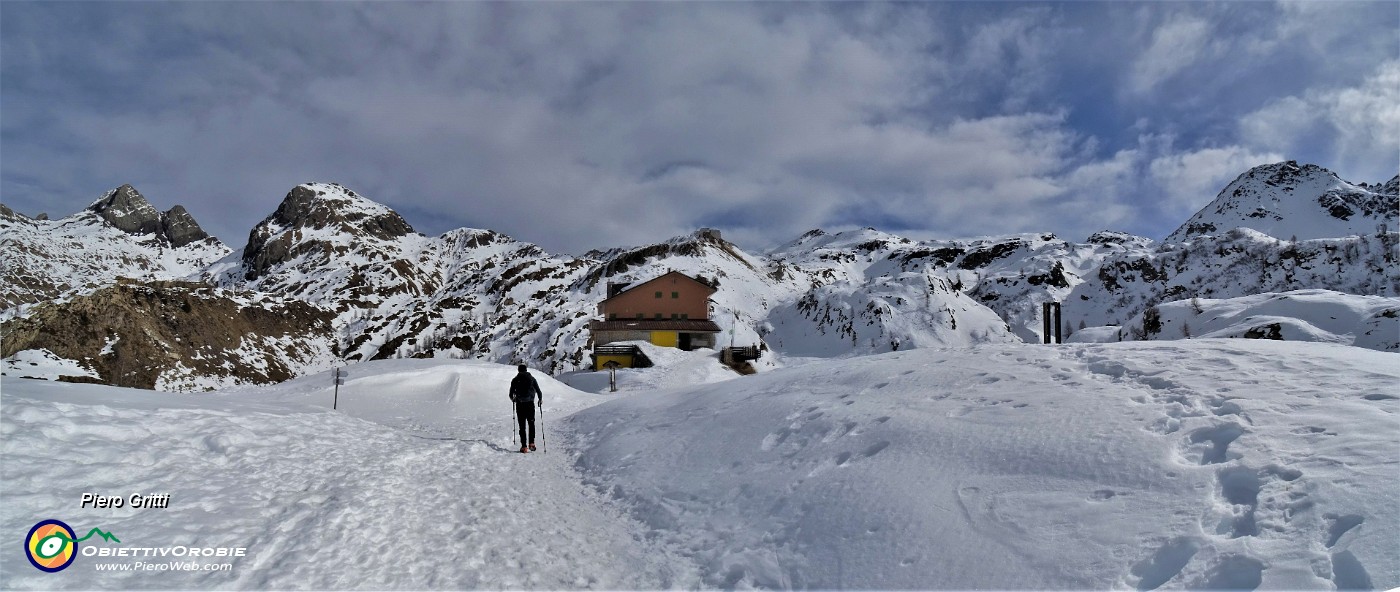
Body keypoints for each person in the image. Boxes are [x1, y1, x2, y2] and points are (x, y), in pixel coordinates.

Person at [509, 364, 542, 453]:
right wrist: (540, 400)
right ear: (526, 370)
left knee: (522, 426)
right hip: (530, 404)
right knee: (531, 424)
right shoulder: (532, 379)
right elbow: (539, 391)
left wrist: (514, 400)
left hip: (520, 405)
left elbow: (510, 394)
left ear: (518, 370)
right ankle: (531, 443)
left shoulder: (515, 380)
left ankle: (524, 447)